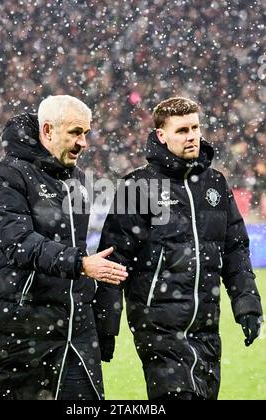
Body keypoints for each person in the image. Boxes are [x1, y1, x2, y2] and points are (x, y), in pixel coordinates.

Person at [97, 97, 263, 400]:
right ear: (161, 135)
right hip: (158, 327)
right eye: (182, 130)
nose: (192, 136)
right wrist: (106, 327)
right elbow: (114, 258)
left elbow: (235, 251)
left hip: (207, 327)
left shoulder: (215, 184)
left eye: (195, 128)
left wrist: (247, 306)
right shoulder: (138, 187)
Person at [0, 95, 128, 400]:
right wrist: (80, 263)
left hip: (71, 336)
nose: (83, 143)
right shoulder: (5, 176)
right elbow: (19, 243)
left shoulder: (78, 181)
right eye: (75, 133)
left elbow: (73, 249)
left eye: (86, 134)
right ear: (48, 130)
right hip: (14, 331)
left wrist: (102, 326)